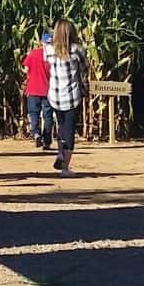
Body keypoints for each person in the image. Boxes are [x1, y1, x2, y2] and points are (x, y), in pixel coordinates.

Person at [44, 19, 89, 177]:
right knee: (69, 130)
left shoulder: (49, 49)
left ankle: (59, 154)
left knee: (61, 126)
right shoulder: (76, 50)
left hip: (55, 95)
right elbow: (84, 68)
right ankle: (65, 167)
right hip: (71, 96)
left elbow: (46, 59)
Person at [23, 31, 55, 150]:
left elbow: (26, 70)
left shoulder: (32, 53)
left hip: (33, 89)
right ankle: (46, 142)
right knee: (48, 116)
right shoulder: (53, 56)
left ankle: (36, 134)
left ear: (41, 42)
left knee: (34, 113)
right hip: (48, 90)